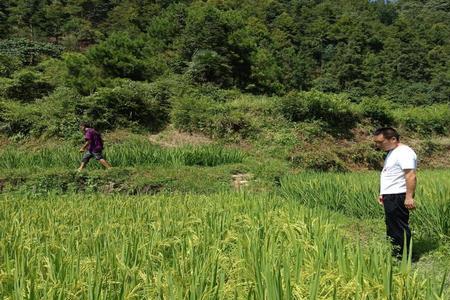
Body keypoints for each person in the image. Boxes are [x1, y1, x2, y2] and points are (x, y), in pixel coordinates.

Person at [373, 127, 417, 258]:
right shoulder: (393, 152)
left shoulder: (404, 152)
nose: (378, 145)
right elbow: (391, 175)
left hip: (398, 195)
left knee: (399, 226)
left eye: (380, 142)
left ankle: (405, 256)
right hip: (391, 195)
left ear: (393, 139)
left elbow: (410, 175)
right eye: (376, 142)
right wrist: (383, 194)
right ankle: (396, 252)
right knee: (392, 225)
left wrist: (409, 197)